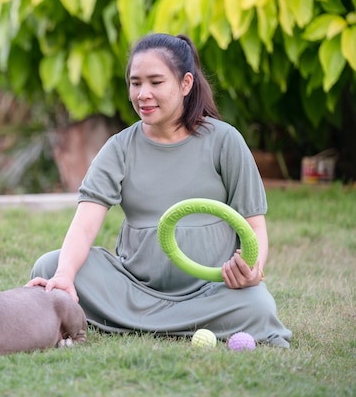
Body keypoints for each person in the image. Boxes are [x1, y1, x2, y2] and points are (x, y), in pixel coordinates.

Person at [28, 33, 292, 348]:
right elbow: (85, 225)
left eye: (156, 82)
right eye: (135, 83)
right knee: (51, 266)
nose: (143, 94)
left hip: (211, 292)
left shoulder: (225, 140)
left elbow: (254, 225)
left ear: (185, 84)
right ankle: (154, 320)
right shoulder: (119, 148)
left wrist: (253, 270)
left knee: (258, 305)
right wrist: (66, 275)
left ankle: (133, 324)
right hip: (134, 289)